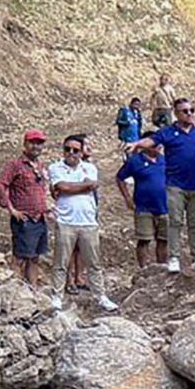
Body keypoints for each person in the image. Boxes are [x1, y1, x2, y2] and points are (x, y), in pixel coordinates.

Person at [45, 133, 116, 311]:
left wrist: (70, 187)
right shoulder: (55, 167)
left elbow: (76, 186)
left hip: (88, 222)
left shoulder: (89, 168)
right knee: (61, 261)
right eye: (67, 149)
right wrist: (81, 186)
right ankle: (57, 296)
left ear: (81, 152)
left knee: (94, 262)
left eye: (76, 150)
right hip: (66, 220)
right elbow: (62, 187)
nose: (71, 153)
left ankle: (100, 296)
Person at [151, 98, 195, 273]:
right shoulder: (168, 132)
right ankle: (174, 257)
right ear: (176, 113)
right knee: (175, 222)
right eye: (185, 111)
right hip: (175, 184)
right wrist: (136, 144)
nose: (190, 113)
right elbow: (152, 141)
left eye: (192, 110)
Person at [0, 129, 53, 287]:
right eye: (33, 143)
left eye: (39, 143)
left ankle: (32, 290)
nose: (36, 147)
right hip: (24, 219)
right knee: (19, 258)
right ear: (25, 144)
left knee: (34, 257)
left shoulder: (40, 166)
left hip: (39, 218)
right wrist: (11, 209)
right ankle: (13, 290)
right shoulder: (15, 165)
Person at [118, 135, 169, 269]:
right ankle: (143, 268)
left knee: (163, 240)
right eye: (154, 145)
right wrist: (128, 198)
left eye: (158, 145)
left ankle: (162, 267)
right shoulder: (135, 161)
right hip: (143, 207)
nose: (157, 147)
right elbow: (120, 178)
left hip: (164, 206)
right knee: (144, 239)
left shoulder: (164, 160)